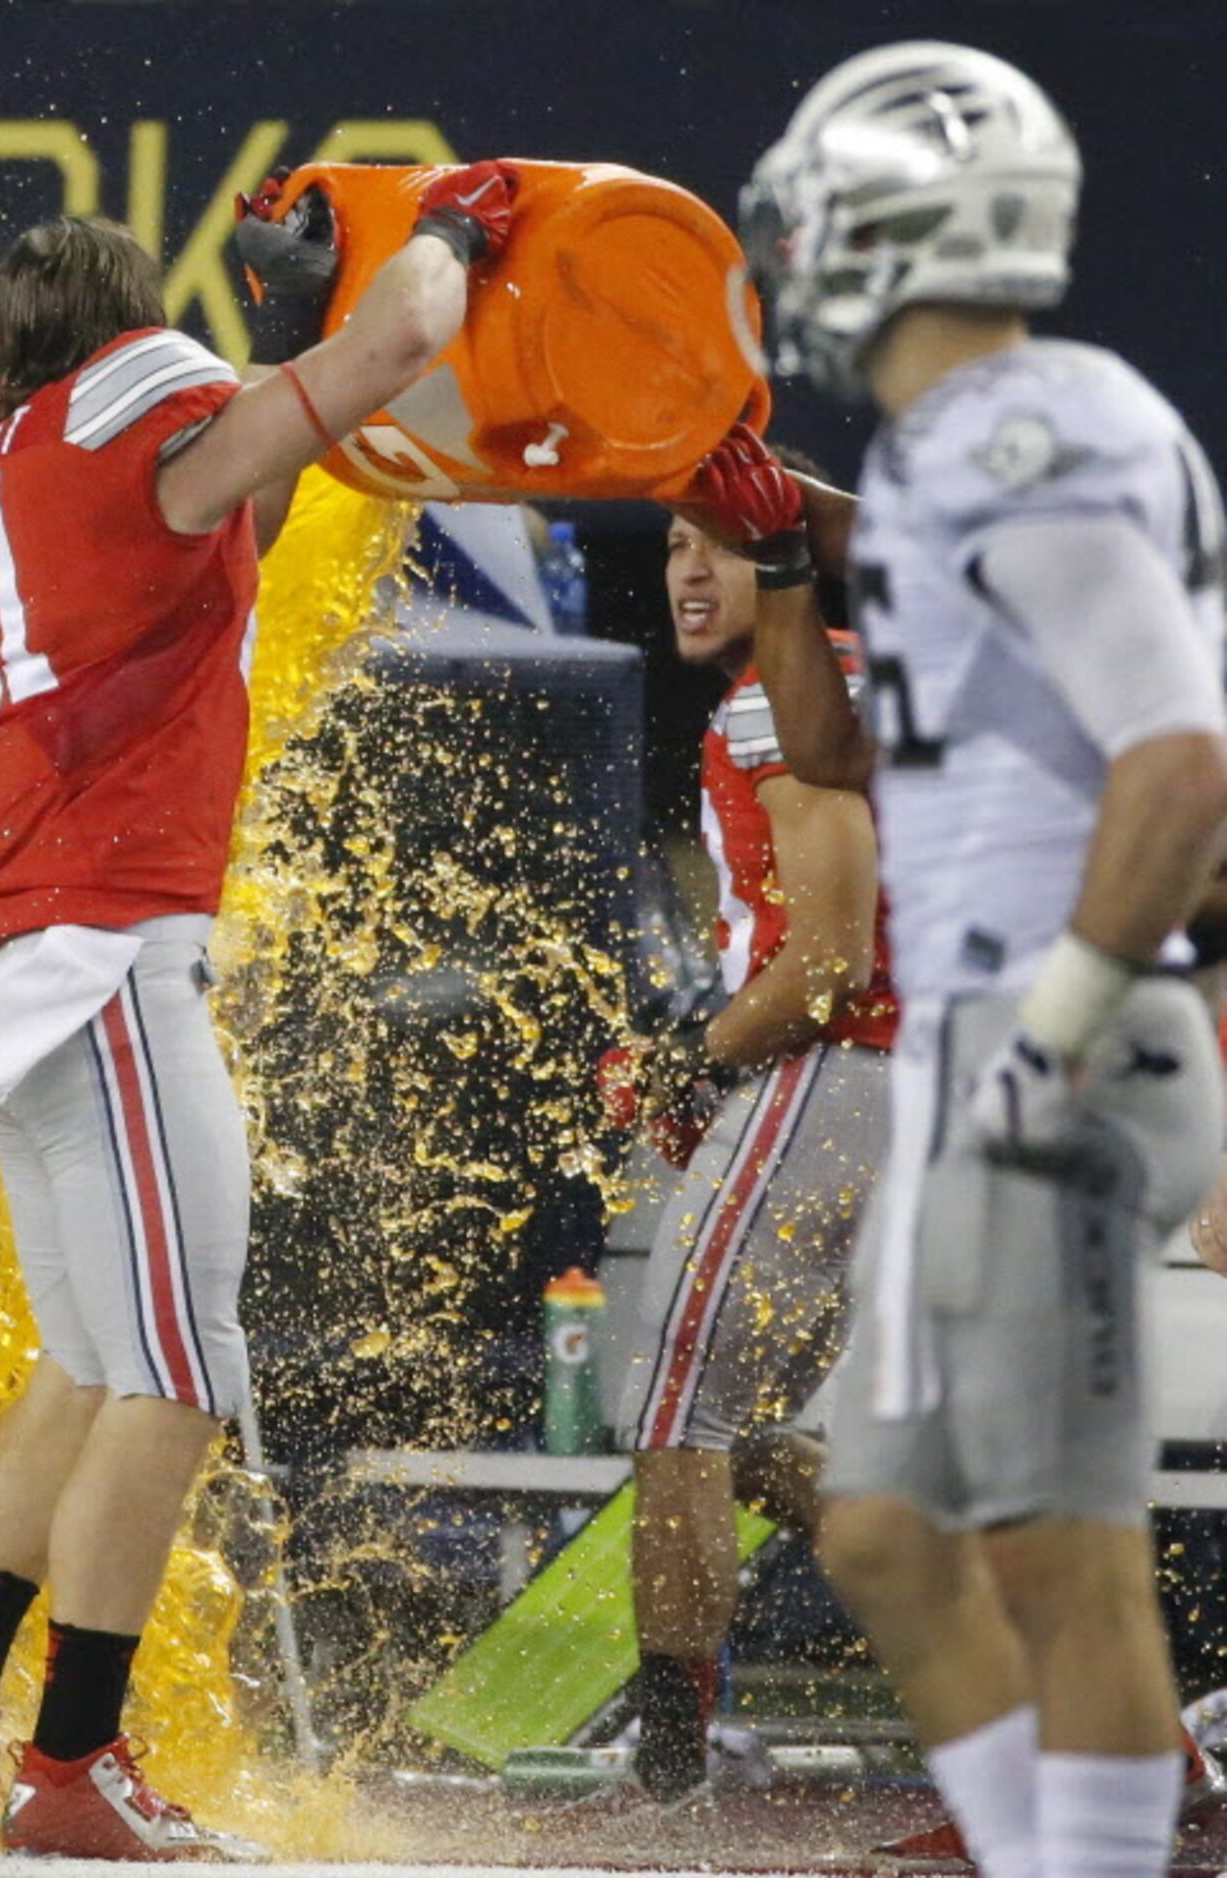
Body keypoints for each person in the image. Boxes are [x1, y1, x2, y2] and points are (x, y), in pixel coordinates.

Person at [0, 165, 520, 1860]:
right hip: (104, 955)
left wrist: (285, 333)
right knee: (181, 1370)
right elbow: (397, 355)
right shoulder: (120, 405)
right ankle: (68, 1764)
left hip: (22, 952)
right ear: (120, 331)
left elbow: (222, 522)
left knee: (90, 1362)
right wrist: (451, 227)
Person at [729, 44, 1227, 1878]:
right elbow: (848, 757)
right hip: (965, 1042)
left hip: (1056, 1034)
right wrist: (790, 560)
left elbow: (1182, 757)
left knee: (1058, 1552)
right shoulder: (941, 461)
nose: (791, 248)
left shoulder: (1040, 427)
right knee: (877, 1529)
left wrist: (1059, 1032)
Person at [600, 452, 896, 1804]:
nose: (688, 571)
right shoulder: (822, 678)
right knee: (747, 1422)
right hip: (888, 1086)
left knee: (674, 1398)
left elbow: (828, 959)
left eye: (719, 543)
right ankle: (1002, 1645)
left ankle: (671, 1755)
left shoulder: (795, 695)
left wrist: (689, 1056)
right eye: (672, 546)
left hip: (833, 1074)